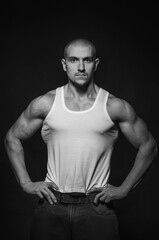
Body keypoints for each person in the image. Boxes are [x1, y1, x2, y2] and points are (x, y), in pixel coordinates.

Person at [5, 38, 157, 240]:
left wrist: (125, 188)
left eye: (87, 60)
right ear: (64, 64)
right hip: (51, 205)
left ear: (96, 64)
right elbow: (12, 138)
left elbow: (149, 146)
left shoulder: (114, 106)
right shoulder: (46, 103)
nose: (81, 67)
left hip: (97, 207)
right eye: (74, 60)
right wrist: (25, 183)